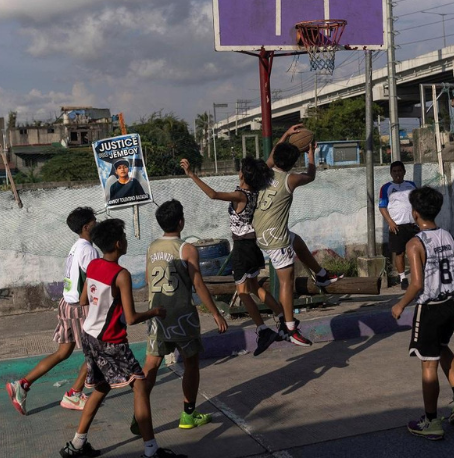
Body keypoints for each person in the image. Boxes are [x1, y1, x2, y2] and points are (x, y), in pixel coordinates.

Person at [59, 219, 177, 458]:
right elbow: (132, 318)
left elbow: (83, 300)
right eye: (123, 237)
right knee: (140, 387)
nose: (125, 240)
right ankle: (151, 450)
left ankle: (77, 445)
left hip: (90, 336)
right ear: (117, 243)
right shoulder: (121, 275)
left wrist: (106, 307)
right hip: (110, 340)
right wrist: (154, 311)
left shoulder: (93, 265)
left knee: (101, 388)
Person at [135, 199, 228, 435]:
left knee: (151, 365)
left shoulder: (152, 247)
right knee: (191, 363)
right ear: (181, 221)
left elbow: (148, 278)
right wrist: (216, 313)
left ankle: (139, 414)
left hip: (157, 314)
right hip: (181, 316)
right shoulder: (186, 248)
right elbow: (198, 283)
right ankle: (188, 414)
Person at [391, 186, 454, 441]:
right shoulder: (448, 236)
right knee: (442, 346)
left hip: (431, 307)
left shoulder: (415, 243)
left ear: (415, 213)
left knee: (429, 362)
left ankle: (430, 421)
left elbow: (416, 284)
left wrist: (400, 304)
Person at [181, 156, 284, 356]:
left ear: (243, 175)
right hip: (252, 245)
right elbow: (269, 162)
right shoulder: (255, 191)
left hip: (242, 248)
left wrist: (192, 174)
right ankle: (282, 318)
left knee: (243, 292)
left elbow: (212, 194)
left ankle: (263, 330)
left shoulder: (240, 195)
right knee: (254, 287)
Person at [252, 124, 342, 346]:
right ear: (293, 163)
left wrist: (286, 134)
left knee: (298, 240)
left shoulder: (265, 171)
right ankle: (290, 328)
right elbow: (311, 175)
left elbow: (275, 151)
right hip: (275, 239)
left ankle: (320, 273)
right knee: (286, 281)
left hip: (260, 233)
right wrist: (312, 154)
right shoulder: (289, 179)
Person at [6, 207, 98, 415]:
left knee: (63, 352)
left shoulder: (76, 247)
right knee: (94, 351)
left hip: (66, 304)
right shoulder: (89, 250)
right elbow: (93, 280)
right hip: (79, 308)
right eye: (95, 221)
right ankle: (74, 393)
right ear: (86, 227)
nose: (97, 223)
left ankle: (22, 384)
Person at [379, 161, 419, 290]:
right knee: (400, 253)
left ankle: (419, 275)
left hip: (413, 225)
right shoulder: (386, 188)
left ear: (404, 172)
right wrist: (390, 221)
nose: (397, 173)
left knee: (417, 251)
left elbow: (417, 202)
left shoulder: (411, 185)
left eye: (399, 171)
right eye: (395, 171)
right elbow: (382, 206)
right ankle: (403, 278)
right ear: (391, 173)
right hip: (397, 226)